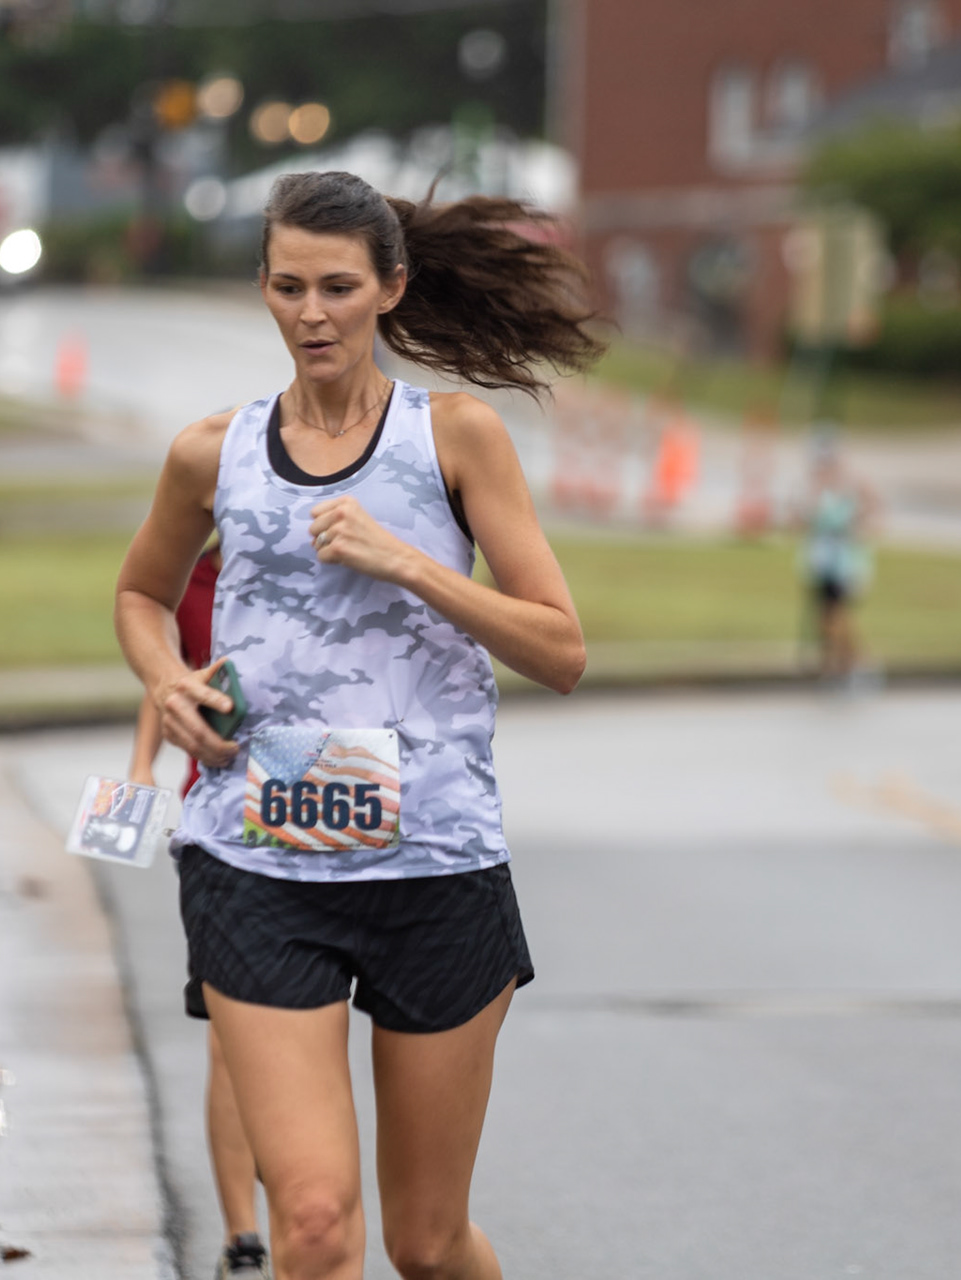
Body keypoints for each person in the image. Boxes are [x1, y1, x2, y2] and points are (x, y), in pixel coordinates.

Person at [114, 170, 599, 1280]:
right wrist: (168, 677)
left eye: (337, 287)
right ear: (262, 287)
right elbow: (141, 592)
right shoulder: (212, 451)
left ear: (391, 287)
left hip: (434, 863)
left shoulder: (456, 438)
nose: (312, 314)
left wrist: (410, 562)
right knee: (318, 1221)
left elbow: (561, 650)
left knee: (426, 1243)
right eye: (288, 287)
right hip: (259, 859)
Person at [127, 543, 273, 1280]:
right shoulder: (188, 574)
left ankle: (303, 1210)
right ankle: (243, 1240)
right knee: (230, 1041)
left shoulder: (317, 544)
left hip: (319, 810)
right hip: (220, 822)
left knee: (297, 1043)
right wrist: (140, 767)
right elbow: (172, 677)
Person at [796, 434, 880, 685]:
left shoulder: (852, 483)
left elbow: (873, 509)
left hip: (846, 564)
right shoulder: (814, 487)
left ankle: (856, 663)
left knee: (838, 617)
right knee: (824, 619)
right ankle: (834, 666)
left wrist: (855, 523)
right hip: (823, 563)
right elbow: (800, 520)